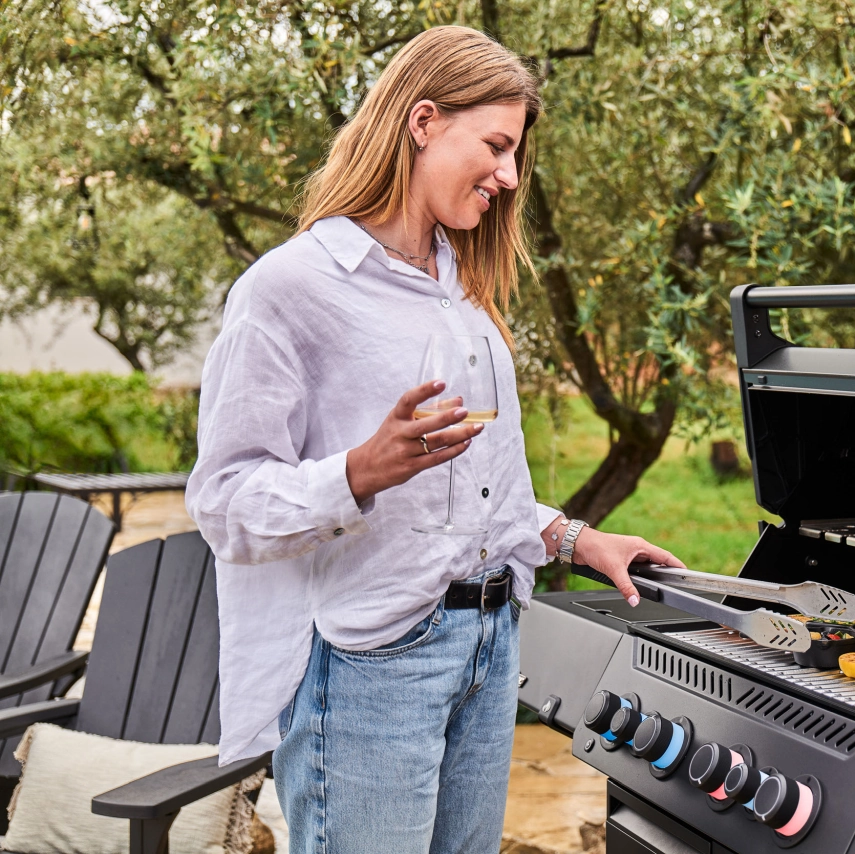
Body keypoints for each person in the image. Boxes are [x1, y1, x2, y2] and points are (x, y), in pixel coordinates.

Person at [186, 25, 684, 853]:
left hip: (489, 648)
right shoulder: (290, 288)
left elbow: (473, 496)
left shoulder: (461, 292)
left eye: (516, 153)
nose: (510, 175)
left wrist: (572, 537)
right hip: (374, 661)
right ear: (422, 122)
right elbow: (223, 501)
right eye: (495, 145)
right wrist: (357, 471)